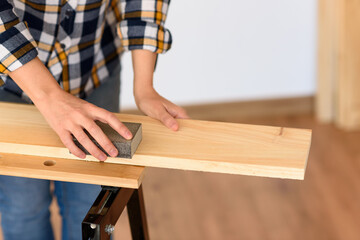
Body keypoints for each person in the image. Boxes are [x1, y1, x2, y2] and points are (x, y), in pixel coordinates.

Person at [0, 0, 188, 239]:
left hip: (96, 72)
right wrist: (49, 95)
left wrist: (144, 86)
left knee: (88, 205)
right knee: (23, 207)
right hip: (11, 84)